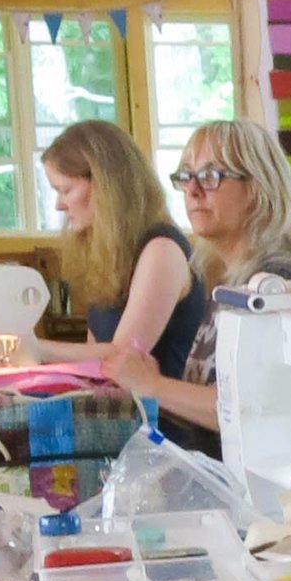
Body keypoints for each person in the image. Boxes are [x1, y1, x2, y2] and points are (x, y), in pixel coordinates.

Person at [99, 118, 291, 452]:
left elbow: (252, 409)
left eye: (211, 176)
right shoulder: (232, 279)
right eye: (187, 176)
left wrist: (152, 384)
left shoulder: (278, 283)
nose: (192, 190)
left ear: (258, 189)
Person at [47, 120, 205, 385]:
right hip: (122, 414)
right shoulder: (110, 254)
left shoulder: (162, 250)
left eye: (65, 190)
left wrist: (34, 349)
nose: (58, 205)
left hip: (162, 421)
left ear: (103, 186)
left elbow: (120, 361)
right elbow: (91, 363)